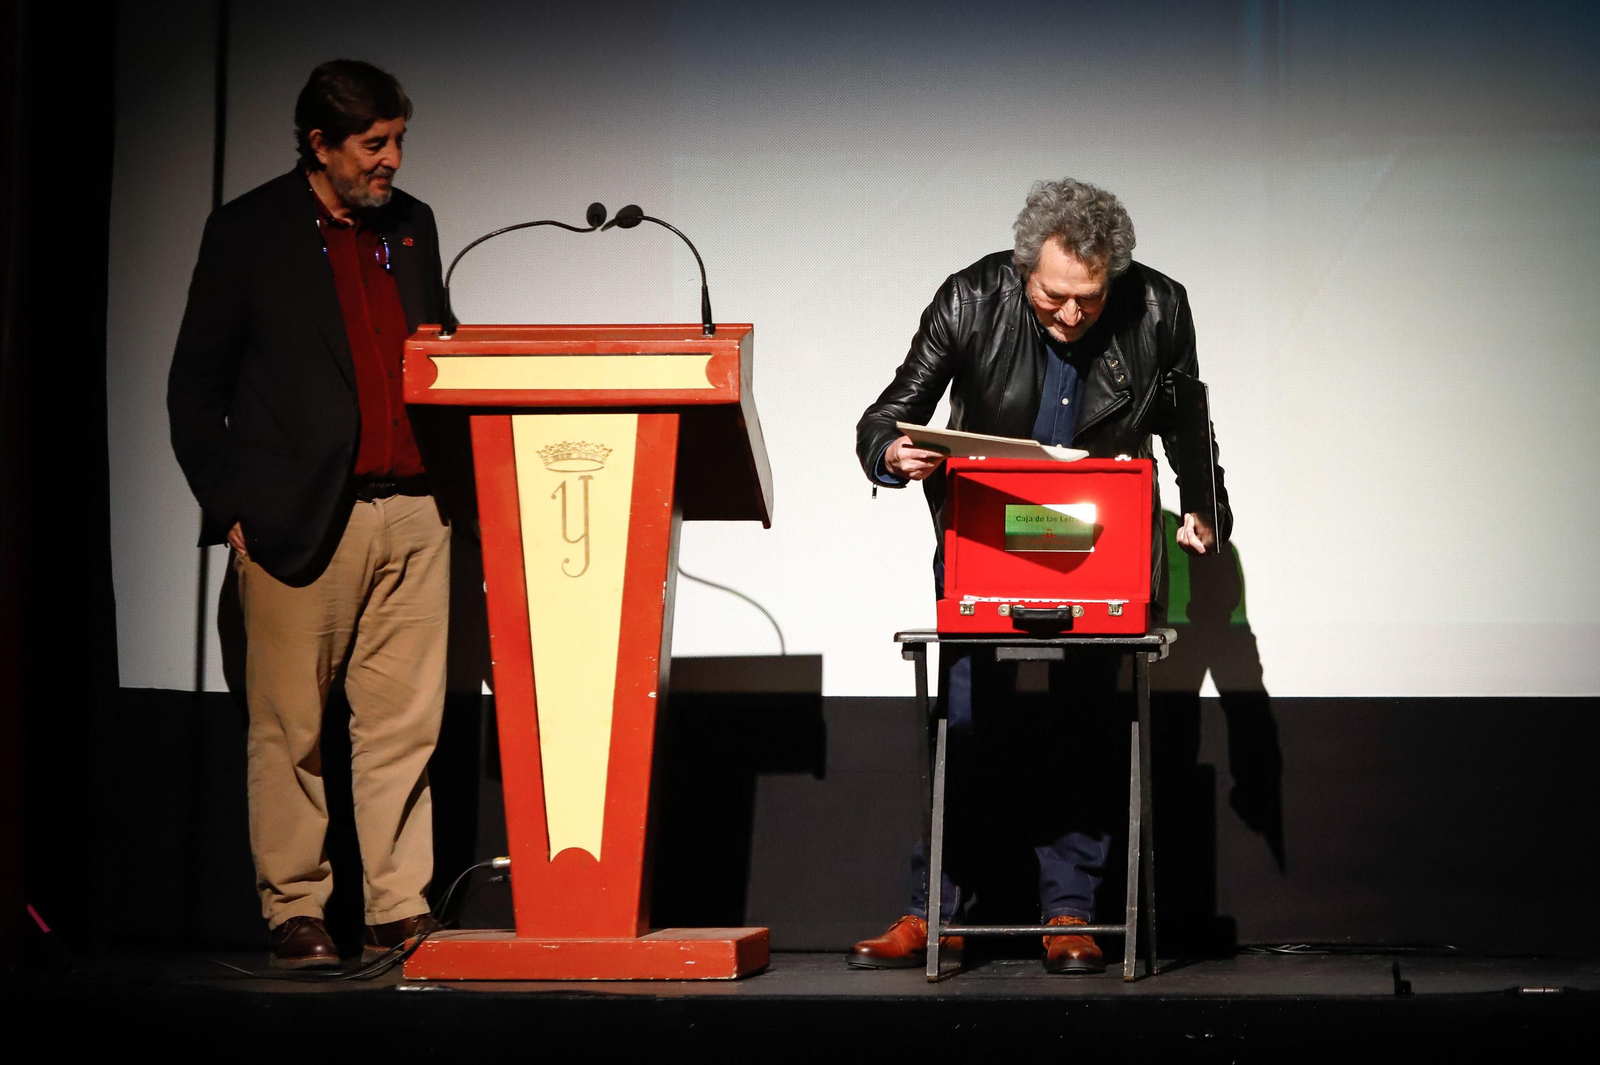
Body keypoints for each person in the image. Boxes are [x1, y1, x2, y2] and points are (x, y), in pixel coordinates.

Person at [852, 177, 1232, 973]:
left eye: (1089, 300)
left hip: (1100, 551)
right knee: (963, 723)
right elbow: (890, 411)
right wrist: (893, 452)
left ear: (1114, 280)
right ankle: (935, 914)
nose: (1069, 314)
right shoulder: (970, 297)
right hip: (988, 544)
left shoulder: (1159, 308)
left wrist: (1203, 506)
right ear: (1025, 270)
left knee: (1087, 731)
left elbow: (1188, 422)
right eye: (1053, 296)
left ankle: (1071, 912)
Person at [168, 60, 453, 969]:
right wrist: (231, 505)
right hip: (298, 519)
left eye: (399, 139)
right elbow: (193, 387)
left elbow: (437, 351)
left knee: (403, 726)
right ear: (320, 144)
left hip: (414, 512)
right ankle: (296, 908)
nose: (392, 161)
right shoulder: (249, 230)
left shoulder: (411, 229)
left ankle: (397, 906)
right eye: (375, 144)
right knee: (290, 728)